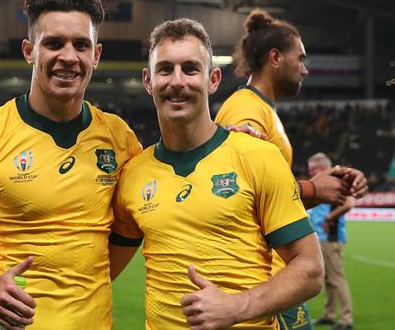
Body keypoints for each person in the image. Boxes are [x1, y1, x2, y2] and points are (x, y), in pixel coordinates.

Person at [0, 0, 142, 330]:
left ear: (95, 56)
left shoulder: (120, 138)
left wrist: (234, 138)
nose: (68, 57)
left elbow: (143, 216)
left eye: (81, 45)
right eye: (53, 43)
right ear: (29, 51)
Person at [109, 18, 324, 330]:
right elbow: (99, 269)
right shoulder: (133, 174)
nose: (177, 81)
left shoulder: (258, 156)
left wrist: (237, 307)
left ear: (213, 79)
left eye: (191, 69)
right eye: (165, 69)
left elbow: (310, 268)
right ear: (148, 80)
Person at [214, 9, 368, 330]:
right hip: (256, 275)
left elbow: (274, 195)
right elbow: (236, 190)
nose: (305, 69)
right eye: (300, 58)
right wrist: (314, 189)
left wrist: (327, 183)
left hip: (271, 272)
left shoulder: (263, 110)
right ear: (275, 58)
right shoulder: (246, 109)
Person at [307, 153, 354, 330]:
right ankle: (329, 314)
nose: (311, 173)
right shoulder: (321, 185)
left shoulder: (337, 181)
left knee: (337, 278)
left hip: (331, 238)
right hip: (322, 237)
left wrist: (329, 218)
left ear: (323, 168)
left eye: (313, 169)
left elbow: (349, 203)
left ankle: (347, 319)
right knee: (328, 279)